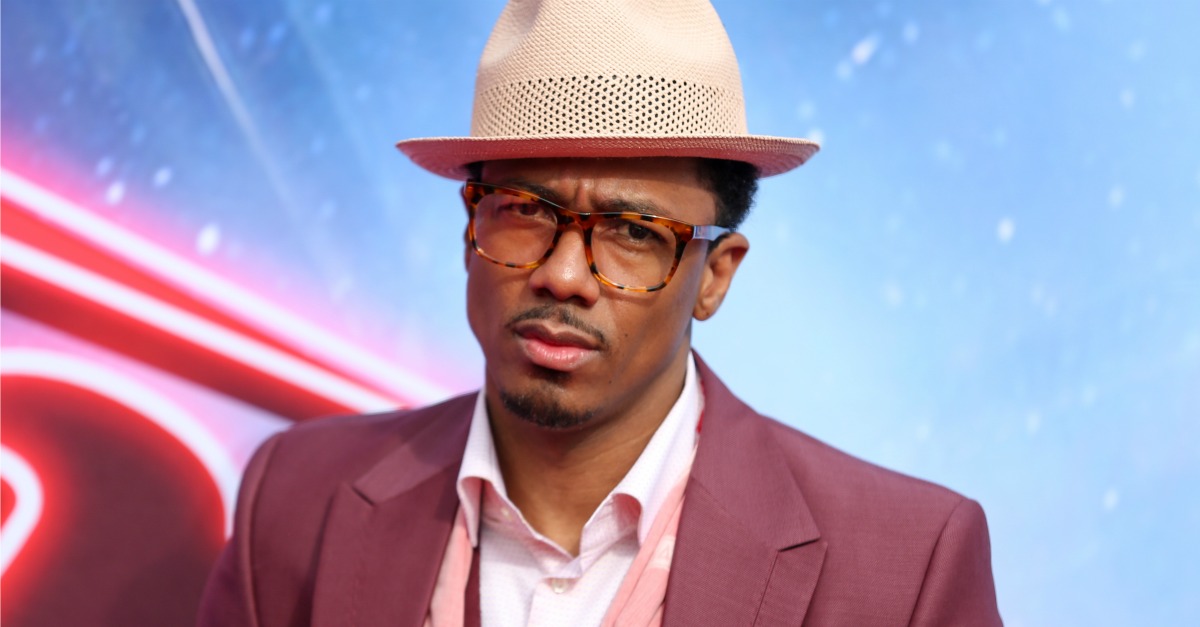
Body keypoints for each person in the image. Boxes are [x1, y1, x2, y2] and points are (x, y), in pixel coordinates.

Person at [199, 0, 1003, 625]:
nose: (563, 275)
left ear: (716, 275)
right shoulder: (294, 498)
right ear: (469, 228)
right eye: (524, 211)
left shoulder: (905, 566)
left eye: (632, 232)